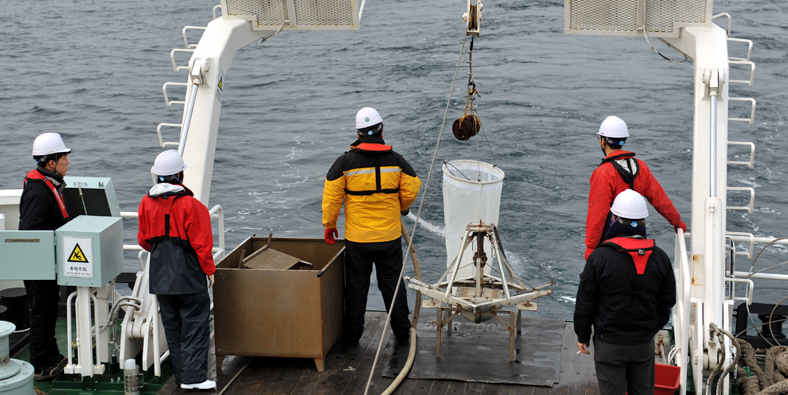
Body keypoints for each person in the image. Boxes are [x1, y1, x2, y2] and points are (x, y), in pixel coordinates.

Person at [322, 107, 422, 347]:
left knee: (356, 287)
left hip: (358, 240)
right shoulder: (397, 161)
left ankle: (353, 334)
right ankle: (401, 331)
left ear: (358, 133)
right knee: (392, 285)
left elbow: (331, 198)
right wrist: (400, 206)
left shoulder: (344, 162)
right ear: (381, 130)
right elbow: (412, 188)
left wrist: (330, 225)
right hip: (389, 238)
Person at [574, 189, 676, 395]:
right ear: (644, 223)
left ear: (614, 219)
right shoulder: (660, 258)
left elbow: (586, 301)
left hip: (609, 344)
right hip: (642, 344)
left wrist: (583, 334)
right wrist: (650, 328)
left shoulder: (599, 257)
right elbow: (668, 300)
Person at [137, 150, 216, 390]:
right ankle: (195, 379)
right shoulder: (191, 205)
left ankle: (183, 377)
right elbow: (202, 245)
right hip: (189, 275)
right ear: (179, 174)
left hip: (161, 276)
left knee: (173, 328)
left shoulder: (145, 203)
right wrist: (209, 271)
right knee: (195, 325)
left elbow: (144, 241)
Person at [585, 115, 686, 260]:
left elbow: (597, 215)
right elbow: (660, 199)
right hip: (638, 239)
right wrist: (677, 222)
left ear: (602, 141)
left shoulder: (603, 173)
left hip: (611, 243)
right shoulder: (641, 167)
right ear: (623, 140)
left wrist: (590, 248)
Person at [19, 133, 72, 381]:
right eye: (64, 157)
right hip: (38, 263)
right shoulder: (38, 192)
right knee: (41, 312)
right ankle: (41, 364)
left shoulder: (47, 184)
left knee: (49, 311)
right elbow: (30, 230)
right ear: (51, 162)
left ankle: (52, 357)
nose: (67, 162)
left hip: (46, 263)